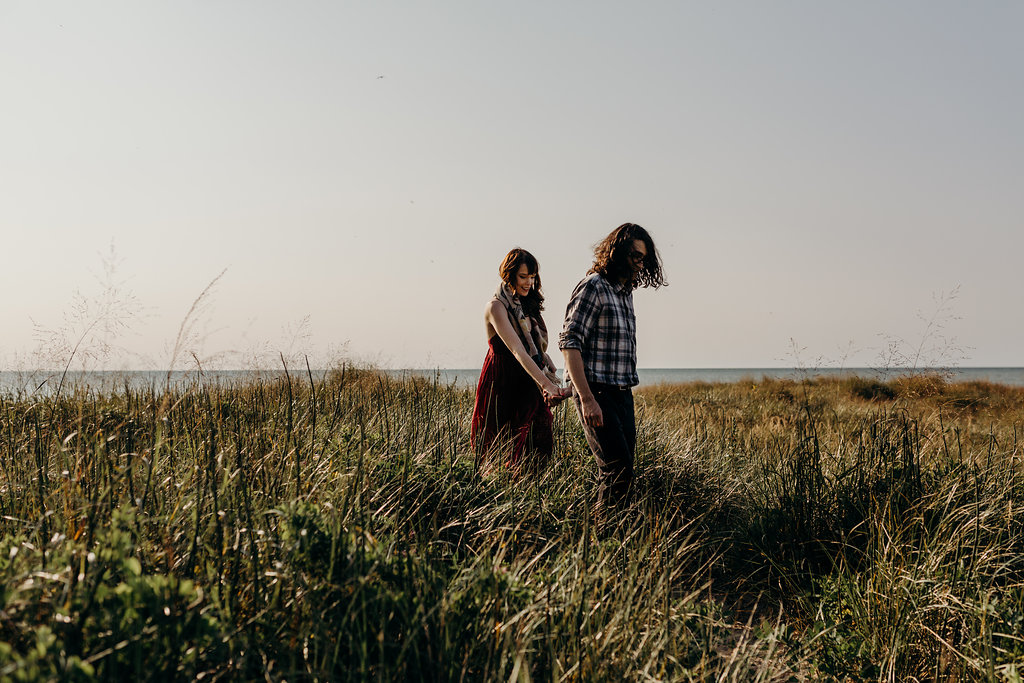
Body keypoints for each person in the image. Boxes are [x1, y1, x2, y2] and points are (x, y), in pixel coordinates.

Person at [559, 223, 666, 506]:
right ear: (617, 253)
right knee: (616, 471)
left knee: (622, 470)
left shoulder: (625, 293)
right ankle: (604, 541)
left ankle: (608, 538)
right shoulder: (593, 286)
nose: (639, 264)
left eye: (643, 258)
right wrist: (586, 398)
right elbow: (569, 343)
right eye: (634, 256)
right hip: (597, 393)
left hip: (622, 394)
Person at [471, 248, 571, 470]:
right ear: (509, 275)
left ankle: (530, 493)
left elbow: (533, 346)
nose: (529, 283)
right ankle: (500, 496)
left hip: (527, 376)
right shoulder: (496, 307)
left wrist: (547, 360)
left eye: (532, 277)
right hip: (503, 380)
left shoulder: (526, 306)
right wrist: (545, 384)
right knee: (500, 444)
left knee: (538, 438)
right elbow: (517, 350)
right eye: (523, 277)